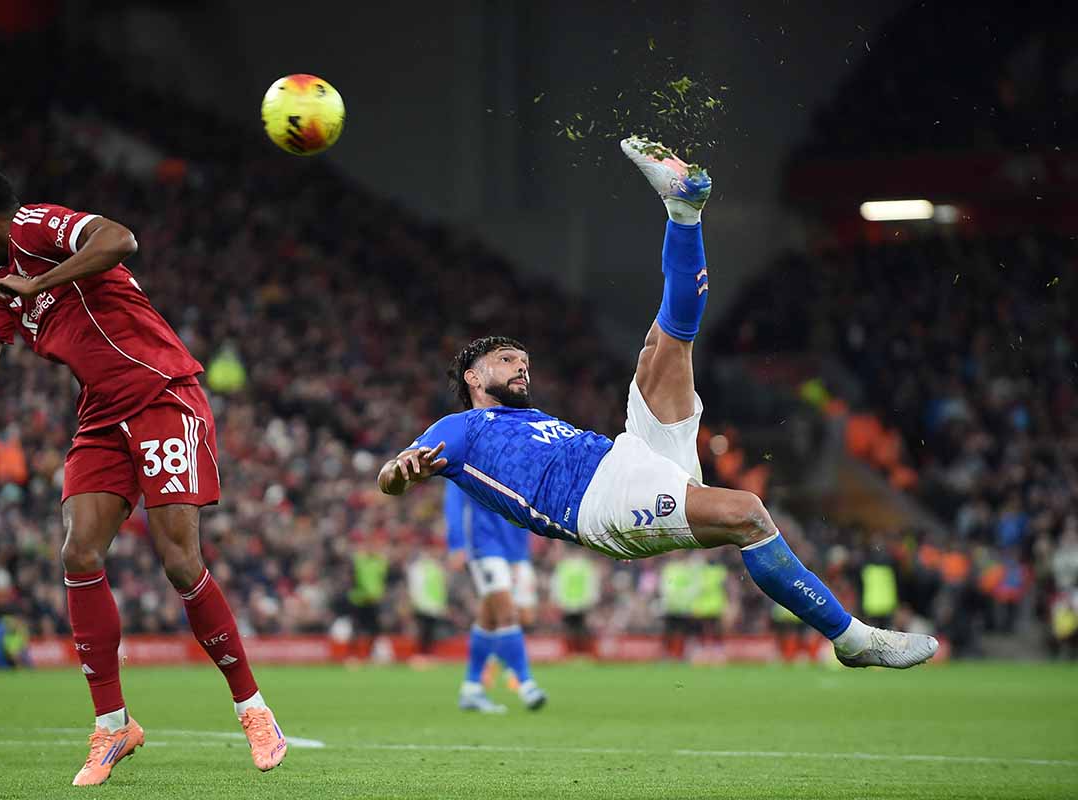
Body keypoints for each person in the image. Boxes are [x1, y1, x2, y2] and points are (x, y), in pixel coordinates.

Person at [378, 138, 938, 671]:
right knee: (746, 512)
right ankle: (854, 639)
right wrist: (400, 473)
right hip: (601, 503)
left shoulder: (528, 418)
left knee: (663, 345)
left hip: (626, 456)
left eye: (523, 359)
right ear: (473, 375)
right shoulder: (462, 429)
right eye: (506, 360)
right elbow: (392, 477)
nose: (521, 366)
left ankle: (684, 211)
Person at [0, 168, 286, 785]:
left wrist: (42, 281)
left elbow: (120, 239)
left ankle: (254, 710)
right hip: (101, 414)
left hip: (161, 391)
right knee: (78, 554)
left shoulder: (34, 226)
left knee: (180, 560)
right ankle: (113, 725)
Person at [444, 482, 546, 713]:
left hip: (515, 548)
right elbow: (454, 499)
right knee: (506, 614)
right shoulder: (469, 450)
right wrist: (456, 543)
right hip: (484, 543)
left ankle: (471, 688)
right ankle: (525, 683)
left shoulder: (520, 454)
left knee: (494, 618)